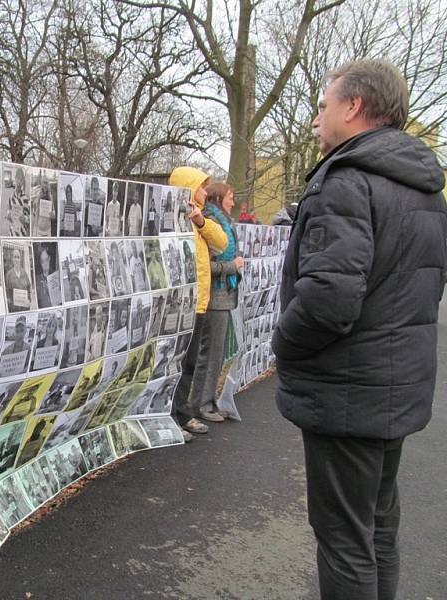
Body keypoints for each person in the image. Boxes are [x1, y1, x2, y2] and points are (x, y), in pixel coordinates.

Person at [272, 59, 447, 600]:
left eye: (323, 106)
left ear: (353, 107)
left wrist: (282, 343)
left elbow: (327, 300)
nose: (316, 119)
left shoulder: (346, 182)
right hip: (395, 386)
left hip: (348, 392)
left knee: (345, 539)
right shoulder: (426, 190)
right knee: (377, 528)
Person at [168, 166, 228, 438]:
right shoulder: (174, 219)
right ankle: (172, 419)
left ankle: (182, 415)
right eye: (202, 186)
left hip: (199, 305)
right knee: (174, 365)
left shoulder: (200, 219)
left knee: (190, 363)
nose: (206, 192)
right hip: (180, 306)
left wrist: (201, 222)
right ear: (189, 187)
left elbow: (222, 244)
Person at [184, 181, 243, 424]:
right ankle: (201, 404)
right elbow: (205, 267)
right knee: (209, 355)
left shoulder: (222, 223)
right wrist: (233, 266)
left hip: (223, 297)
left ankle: (207, 401)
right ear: (219, 199)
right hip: (214, 299)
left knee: (216, 355)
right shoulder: (211, 223)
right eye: (230, 196)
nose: (233, 201)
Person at [4, 244, 33, 312]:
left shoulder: (25, 274)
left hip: (25, 309)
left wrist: (29, 300)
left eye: (18, 257)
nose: (17, 259)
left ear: (20, 259)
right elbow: (7, 294)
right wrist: (11, 304)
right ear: (12, 259)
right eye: (15, 257)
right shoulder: (8, 275)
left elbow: (28, 290)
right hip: (14, 310)